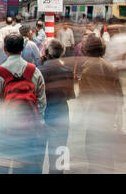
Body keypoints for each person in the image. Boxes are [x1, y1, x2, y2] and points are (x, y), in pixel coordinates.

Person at [0, 33, 46, 174]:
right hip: (30, 130)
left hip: (5, 131)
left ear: (5, 49)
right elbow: (42, 103)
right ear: (22, 49)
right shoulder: (35, 72)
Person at [79, 34, 123, 173]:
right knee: (106, 151)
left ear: (86, 50)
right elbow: (119, 94)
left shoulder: (87, 68)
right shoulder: (109, 66)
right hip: (109, 114)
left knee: (93, 152)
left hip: (96, 116)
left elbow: (86, 97)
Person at [38, 39, 75, 174]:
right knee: (59, 151)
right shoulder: (68, 71)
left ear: (46, 53)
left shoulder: (38, 70)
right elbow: (70, 95)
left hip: (41, 112)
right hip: (61, 112)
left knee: (37, 152)